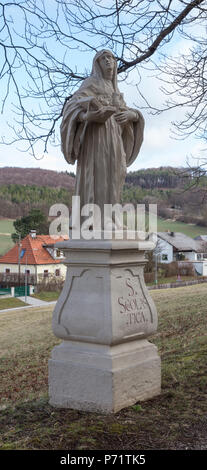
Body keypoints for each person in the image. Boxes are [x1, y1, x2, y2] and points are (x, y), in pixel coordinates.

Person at [60, 49, 145, 230]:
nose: (109, 62)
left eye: (111, 58)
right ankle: (96, 219)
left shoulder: (114, 89)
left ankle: (113, 217)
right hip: (96, 138)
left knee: (115, 175)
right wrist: (88, 116)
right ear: (97, 64)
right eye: (104, 59)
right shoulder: (91, 83)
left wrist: (133, 115)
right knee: (99, 175)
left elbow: (126, 111)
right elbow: (72, 107)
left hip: (114, 138)